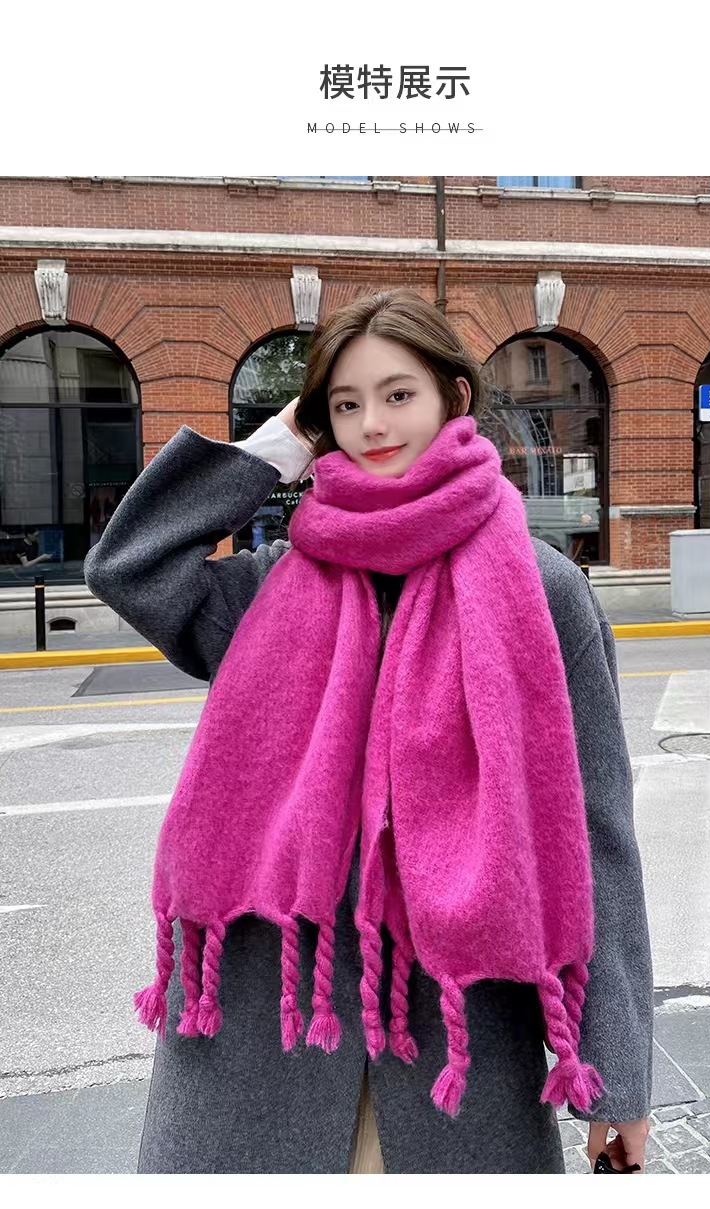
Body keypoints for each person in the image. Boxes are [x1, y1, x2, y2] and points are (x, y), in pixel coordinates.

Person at [83, 288, 653, 1175]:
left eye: (398, 394)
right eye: (346, 404)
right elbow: (130, 565)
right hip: (263, 1053)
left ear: (455, 398)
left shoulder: (542, 590)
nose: (373, 424)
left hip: (454, 1066)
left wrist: (617, 1074)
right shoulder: (277, 580)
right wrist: (280, 442)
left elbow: (597, 833)